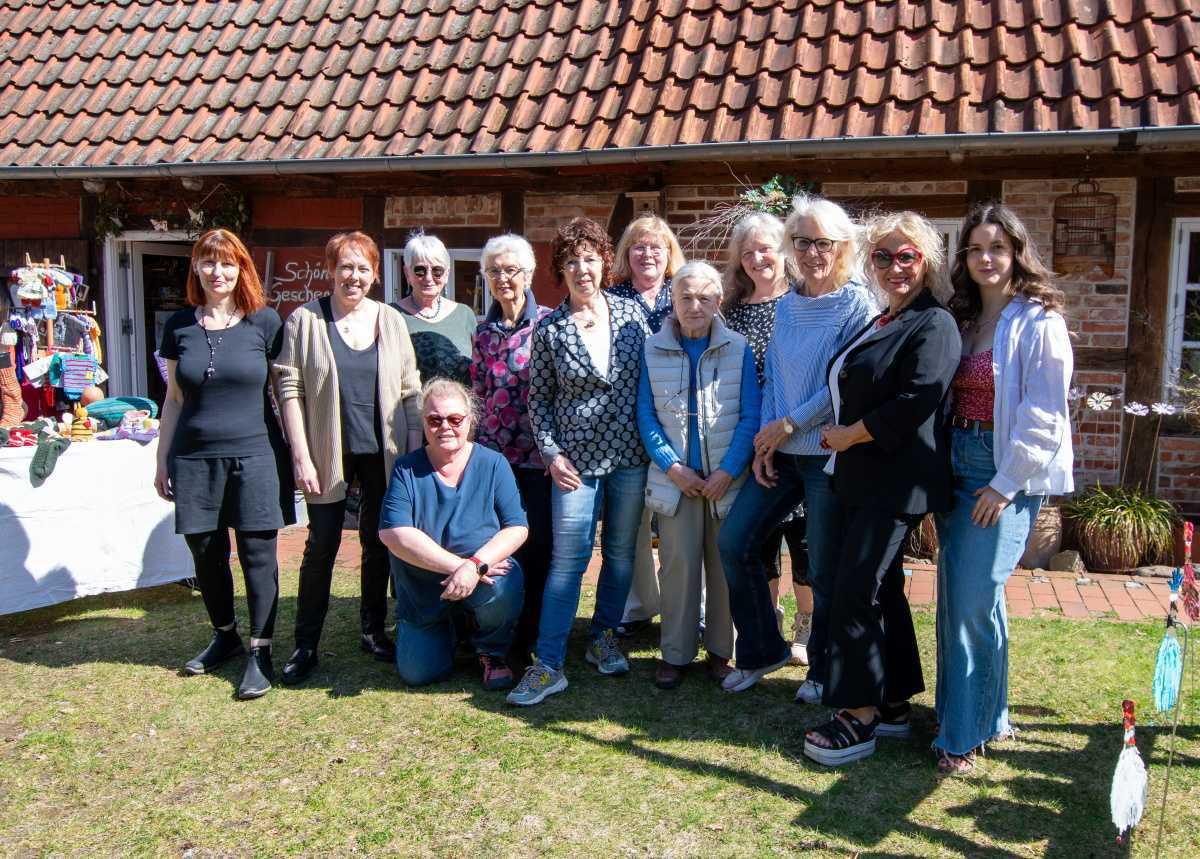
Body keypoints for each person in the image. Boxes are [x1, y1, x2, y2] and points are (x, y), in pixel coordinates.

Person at [803, 211, 961, 767]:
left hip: (894, 480)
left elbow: (918, 398)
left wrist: (851, 433)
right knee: (883, 590)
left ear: (926, 262)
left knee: (854, 590)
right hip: (858, 477)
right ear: (869, 262)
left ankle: (857, 715)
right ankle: (892, 702)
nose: (895, 266)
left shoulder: (933, 324)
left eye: (907, 256)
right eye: (883, 256)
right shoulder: (883, 320)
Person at [933, 203, 1074, 774]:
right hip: (954, 466)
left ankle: (961, 736)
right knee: (960, 600)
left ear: (1016, 252)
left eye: (997, 247)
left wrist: (1004, 485)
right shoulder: (960, 318)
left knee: (972, 600)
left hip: (1002, 470)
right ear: (963, 258)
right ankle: (981, 716)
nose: (986, 258)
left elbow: (1046, 413)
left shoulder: (1040, 320)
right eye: (975, 248)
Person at [716, 194, 876, 697]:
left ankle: (823, 669)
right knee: (734, 542)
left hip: (827, 456)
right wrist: (767, 440)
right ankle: (764, 649)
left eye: (821, 243)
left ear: (842, 247)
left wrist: (789, 424)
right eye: (802, 241)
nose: (811, 252)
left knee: (822, 569)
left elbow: (844, 384)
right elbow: (776, 381)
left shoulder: (857, 304)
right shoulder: (787, 305)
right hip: (782, 453)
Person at [507, 217, 650, 706]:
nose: (583, 269)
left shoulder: (633, 316)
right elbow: (538, 401)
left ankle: (603, 637)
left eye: (590, 258)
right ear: (561, 270)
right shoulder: (548, 330)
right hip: (574, 466)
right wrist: (551, 453)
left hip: (631, 456)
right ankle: (548, 663)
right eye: (572, 261)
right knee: (568, 563)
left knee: (622, 554)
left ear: (604, 262)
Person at [273, 231, 423, 684]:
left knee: (378, 544)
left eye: (363, 268)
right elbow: (288, 388)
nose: (353, 276)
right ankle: (305, 643)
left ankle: (373, 630)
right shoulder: (305, 320)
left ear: (375, 275)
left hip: (385, 452)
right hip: (325, 451)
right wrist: (300, 454)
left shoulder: (390, 321)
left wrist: (414, 453)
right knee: (322, 546)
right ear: (331, 270)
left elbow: (409, 387)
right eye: (345, 267)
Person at [154, 228, 295, 700]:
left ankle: (261, 650)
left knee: (258, 554)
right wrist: (161, 459)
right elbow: (173, 398)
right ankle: (225, 635)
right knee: (206, 553)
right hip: (193, 457)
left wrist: (299, 454)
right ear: (195, 267)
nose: (219, 272)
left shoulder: (265, 323)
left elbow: (283, 395)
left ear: (242, 269)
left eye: (228, 263)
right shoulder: (178, 326)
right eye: (209, 262)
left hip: (255, 454)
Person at [638, 261, 759, 688]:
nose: (695, 306)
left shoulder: (738, 348)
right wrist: (673, 467)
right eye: (686, 297)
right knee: (678, 566)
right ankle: (675, 652)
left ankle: (722, 651)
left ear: (718, 301)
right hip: (677, 483)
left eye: (704, 297)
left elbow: (750, 415)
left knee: (724, 568)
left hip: (724, 481)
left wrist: (728, 471)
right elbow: (646, 415)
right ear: (672, 300)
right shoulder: (653, 348)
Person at [378, 379, 528, 690]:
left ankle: (491, 649)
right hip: (425, 589)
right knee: (418, 674)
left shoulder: (493, 463)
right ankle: (449, 628)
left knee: (506, 583)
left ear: (470, 420)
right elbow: (393, 533)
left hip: (482, 576)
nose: (445, 426)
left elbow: (517, 527)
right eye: (435, 419)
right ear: (424, 423)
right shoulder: (406, 469)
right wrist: (460, 569)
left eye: (455, 419)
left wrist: (476, 566)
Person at [721, 211, 814, 666]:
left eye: (766, 248)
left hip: (797, 436)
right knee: (759, 541)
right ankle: (768, 623)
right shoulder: (732, 311)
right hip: (751, 440)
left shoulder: (801, 302)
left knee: (803, 539)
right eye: (748, 251)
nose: (758, 258)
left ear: (783, 252)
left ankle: (807, 626)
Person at [470, 233, 553, 665]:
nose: (503, 278)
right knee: (501, 548)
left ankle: (536, 635)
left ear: (529, 273)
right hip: (495, 463)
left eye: (511, 270)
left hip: (539, 462)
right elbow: (479, 397)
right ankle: (502, 635)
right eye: (495, 271)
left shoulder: (550, 325)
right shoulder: (483, 333)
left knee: (539, 547)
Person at [608, 214, 687, 636]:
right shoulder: (611, 298)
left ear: (669, 252)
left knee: (681, 523)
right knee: (633, 522)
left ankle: (691, 607)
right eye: (638, 246)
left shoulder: (682, 294)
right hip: (624, 425)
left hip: (676, 423)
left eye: (656, 246)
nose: (647, 253)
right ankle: (639, 605)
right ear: (627, 254)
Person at [392, 231, 476, 385]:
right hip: (413, 407)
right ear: (407, 273)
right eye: (420, 270)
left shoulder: (465, 315)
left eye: (437, 270)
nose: (428, 278)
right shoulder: (391, 315)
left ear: (447, 274)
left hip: (460, 407)